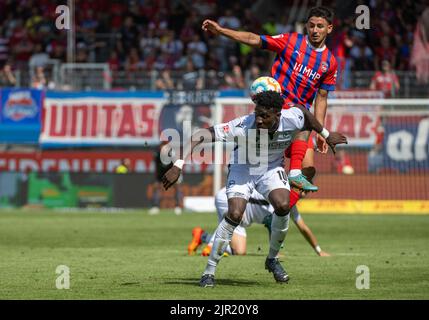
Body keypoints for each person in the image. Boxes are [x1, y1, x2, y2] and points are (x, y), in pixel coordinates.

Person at [162, 90, 347, 287]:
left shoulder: (292, 118)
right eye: (257, 114)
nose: (258, 120)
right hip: (243, 168)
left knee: (284, 205)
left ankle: (272, 260)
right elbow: (201, 135)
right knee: (234, 213)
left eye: (264, 116)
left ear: (278, 114)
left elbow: (306, 115)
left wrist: (327, 135)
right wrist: (178, 165)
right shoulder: (243, 125)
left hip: (270, 168)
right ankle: (209, 271)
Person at [202, 6, 338, 193]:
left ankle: (278, 214)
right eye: (312, 25)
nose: (315, 30)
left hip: (300, 123)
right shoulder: (290, 41)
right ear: (306, 26)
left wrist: (320, 131)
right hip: (276, 112)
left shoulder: (329, 62)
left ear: (329, 28)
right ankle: (244, 185)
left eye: (320, 26)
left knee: (309, 171)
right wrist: (221, 31)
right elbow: (254, 39)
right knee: (259, 161)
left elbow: (322, 97)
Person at [188, 167, 331, 257]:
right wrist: (275, 254)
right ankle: (212, 246)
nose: (303, 194)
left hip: (242, 217)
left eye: (306, 192)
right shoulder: (278, 193)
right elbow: (272, 224)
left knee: (240, 252)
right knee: (234, 221)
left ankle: (203, 236)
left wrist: (318, 250)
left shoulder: (289, 204)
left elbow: (303, 228)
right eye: (303, 190)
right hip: (228, 199)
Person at [149, 142, 183, 215]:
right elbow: (156, 166)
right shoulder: (157, 155)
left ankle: (178, 207)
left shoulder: (172, 155)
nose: (164, 149)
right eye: (163, 148)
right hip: (160, 174)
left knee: (177, 187)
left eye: (166, 148)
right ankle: (155, 207)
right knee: (156, 187)